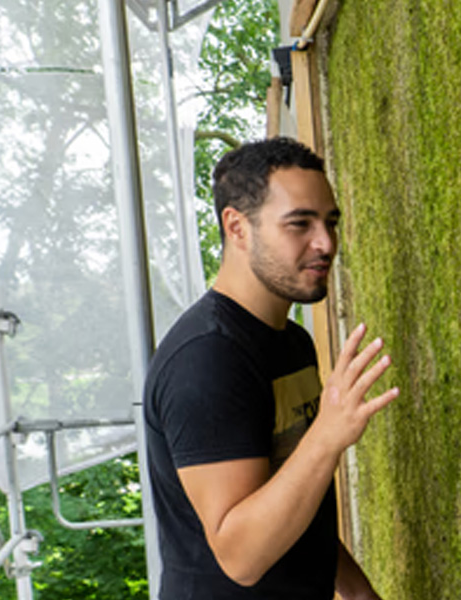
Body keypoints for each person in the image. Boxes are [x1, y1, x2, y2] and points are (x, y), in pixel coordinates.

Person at [144, 138, 398, 599]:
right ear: (237, 227)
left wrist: (359, 594)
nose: (325, 243)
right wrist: (327, 434)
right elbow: (241, 556)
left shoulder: (291, 341)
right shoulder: (205, 363)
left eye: (330, 222)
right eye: (299, 224)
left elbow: (293, 496)